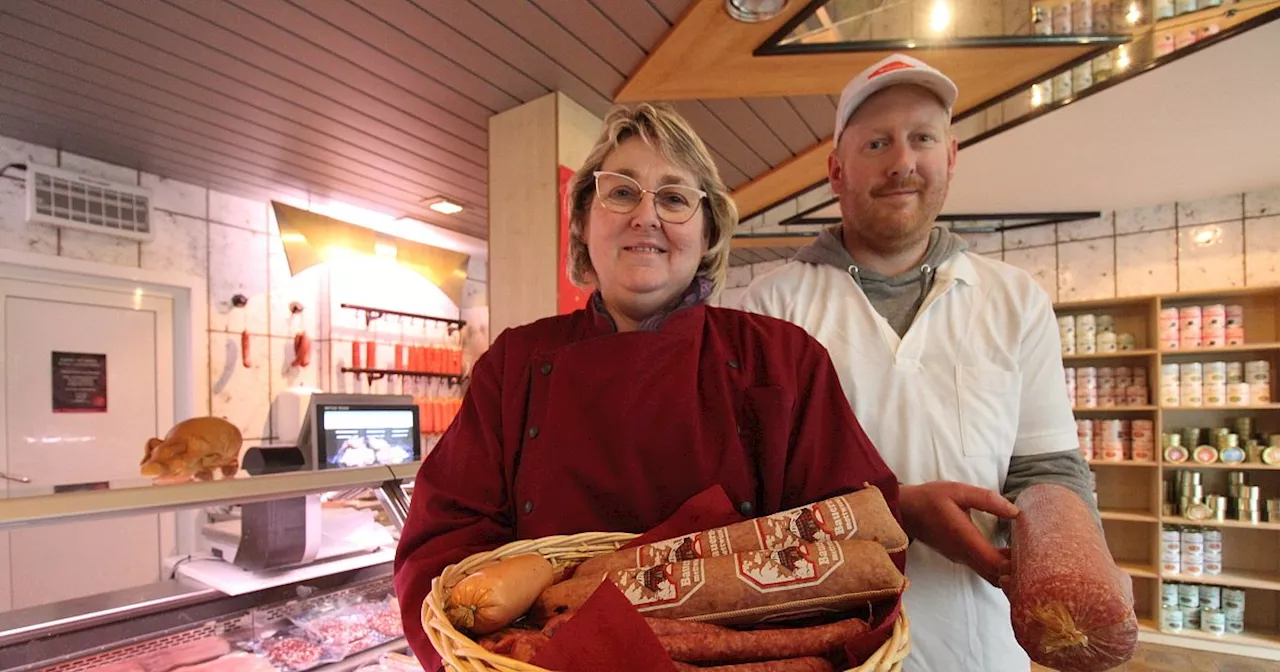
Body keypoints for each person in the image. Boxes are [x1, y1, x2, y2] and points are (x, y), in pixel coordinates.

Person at [393, 102, 904, 667]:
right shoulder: (516, 361)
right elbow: (443, 547)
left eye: (675, 197)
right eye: (621, 192)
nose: (647, 215)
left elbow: (857, 547)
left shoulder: (782, 359)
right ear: (584, 220)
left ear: (709, 233)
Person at [740, 54, 1097, 671]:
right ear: (836, 171)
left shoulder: (1013, 300)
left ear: (951, 157)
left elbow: (1046, 468)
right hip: (822, 648)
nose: (902, 162)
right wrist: (894, 509)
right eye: (876, 142)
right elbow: (749, 500)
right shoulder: (769, 307)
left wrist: (1078, 563)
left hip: (979, 648)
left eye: (922, 138)